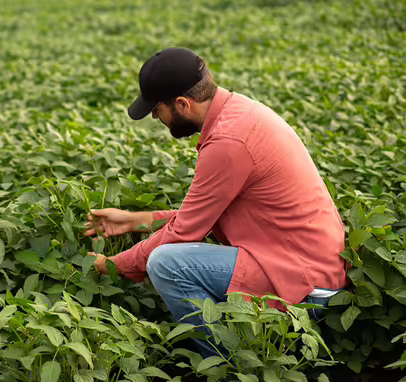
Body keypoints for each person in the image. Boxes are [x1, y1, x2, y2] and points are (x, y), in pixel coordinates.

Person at [84, 48, 347, 356]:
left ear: (182, 104)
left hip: (306, 286)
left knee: (166, 264)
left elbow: (185, 231)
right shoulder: (241, 113)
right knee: (170, 256)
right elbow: (201, 216)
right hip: (309, 266)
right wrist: (133, 220)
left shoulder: (228, 143)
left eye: (157, 110)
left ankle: (229, 373)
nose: (156, 118)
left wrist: (113, 266)